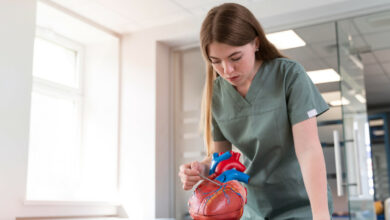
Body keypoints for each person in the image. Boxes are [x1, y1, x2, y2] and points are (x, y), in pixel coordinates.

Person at [178, 2, 333, 220]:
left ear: (256, 43)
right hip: (252, 208)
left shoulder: (289, 76)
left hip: (302, 204)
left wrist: (321, 215)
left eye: (235, 58)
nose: (227, 70)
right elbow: (221, 159)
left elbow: (309, 150)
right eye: (216, 62)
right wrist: (201, 171)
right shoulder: (216, 93)